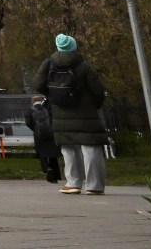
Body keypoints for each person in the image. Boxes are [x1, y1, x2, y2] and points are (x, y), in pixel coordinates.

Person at [29, 33, 110, 195]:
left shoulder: (49, 64)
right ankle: (94, 185)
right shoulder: (83, 65)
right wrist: (96, 104)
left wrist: (53, 95)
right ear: (73, 47)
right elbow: (97, 89)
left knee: (68, 148)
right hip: (85, 113)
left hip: (61, 111)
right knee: (91, 147)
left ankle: (73, 183)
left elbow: (37, 84)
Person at [26, 95, 61, 183]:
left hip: (39, 135)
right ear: (41, 100)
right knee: (52, 154)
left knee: (42, 154)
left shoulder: (30, 110)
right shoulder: (47, 108)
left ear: (32, 101)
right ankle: (56, 175)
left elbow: (28, 123)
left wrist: (35, 130)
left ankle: (47, 168)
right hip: (50, 134)